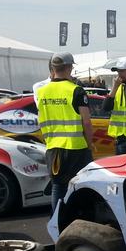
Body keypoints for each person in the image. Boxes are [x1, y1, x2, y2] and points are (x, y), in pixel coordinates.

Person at [36, 52, 94, 213]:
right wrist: (89, 145)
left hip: (54, 147)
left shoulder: (42, 92)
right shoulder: (76, 91)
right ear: (70, 68)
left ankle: (56, 224)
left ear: (52, 68)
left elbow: (41, 120)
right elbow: (87, 123)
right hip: (77, 147)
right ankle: (82, 218)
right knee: (86, 185)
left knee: (58, 188)